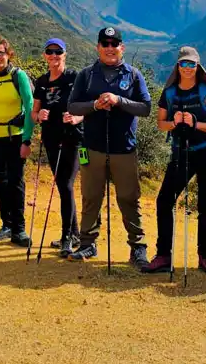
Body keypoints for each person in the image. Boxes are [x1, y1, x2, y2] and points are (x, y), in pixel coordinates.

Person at [67, 27, 151, 269]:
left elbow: (145, 108)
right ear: (98, 47)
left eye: (115, 43)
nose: (110, 47)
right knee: (91, 197)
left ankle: (138, 248)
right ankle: (87, 244)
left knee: (128, 198)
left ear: (122, 47)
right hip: (92, 148)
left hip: (124, 149)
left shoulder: (133, 75)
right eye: (105, 43)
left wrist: (119, 101)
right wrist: (94, 105)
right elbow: (72, 107)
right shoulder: (86, 75)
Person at [143, 46, 206, 275]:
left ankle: (205, 256)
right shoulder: (169, 93)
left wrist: (196, 123)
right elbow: (160, 123)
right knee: (164, 201)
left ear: (198, 67)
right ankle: (163, 255)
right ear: (178, 66)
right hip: (181, 153)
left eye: (192, 64)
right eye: (184, 64)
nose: (188, 68)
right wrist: (174, 123)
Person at [0, 35, 34, 246]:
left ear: (8, 54)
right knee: (1, 184)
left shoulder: (18, 76)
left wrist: (27, 140)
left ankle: (19, 229)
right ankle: (7, 225)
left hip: (15, 137)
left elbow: (29, 107)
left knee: (16, 182)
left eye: (1, 53)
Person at [31, 38, 83, 257]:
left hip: (73, 138)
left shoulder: (75, 78)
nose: (54, 56)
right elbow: (34, 113)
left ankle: (66, 237)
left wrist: (76, 118)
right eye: (49, 52)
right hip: (51, 139)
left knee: (66, 184)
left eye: (58, 52)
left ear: (65, 54)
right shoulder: (41, 82)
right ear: (44, 55)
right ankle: (75, 233)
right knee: (62, 186)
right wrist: (38, 115)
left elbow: (87, 108)